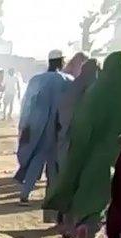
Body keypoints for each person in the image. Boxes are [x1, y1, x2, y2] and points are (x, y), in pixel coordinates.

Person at [45, 51, 121, 238]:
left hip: (88, 154)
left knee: (76, 196)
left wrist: (76, 150)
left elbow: (81, 124)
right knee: (100, 204)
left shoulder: (96, 93)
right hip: (119, 158)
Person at [15, 50, 74, 204]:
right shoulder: (68, 80)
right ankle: (52, 198)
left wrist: (23, 124)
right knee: (54, 164)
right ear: (61, 62)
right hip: (57, 127)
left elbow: (26, 103)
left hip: (36, 126)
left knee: (36, 158)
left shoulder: (36, 80)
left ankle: (25, 192)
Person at [47, 58, 100, 223]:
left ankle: (62, 220)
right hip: (85, 148)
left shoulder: (72, 89)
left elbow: (61, 117)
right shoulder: (99, 92)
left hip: (66, 144)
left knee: (65, 181)